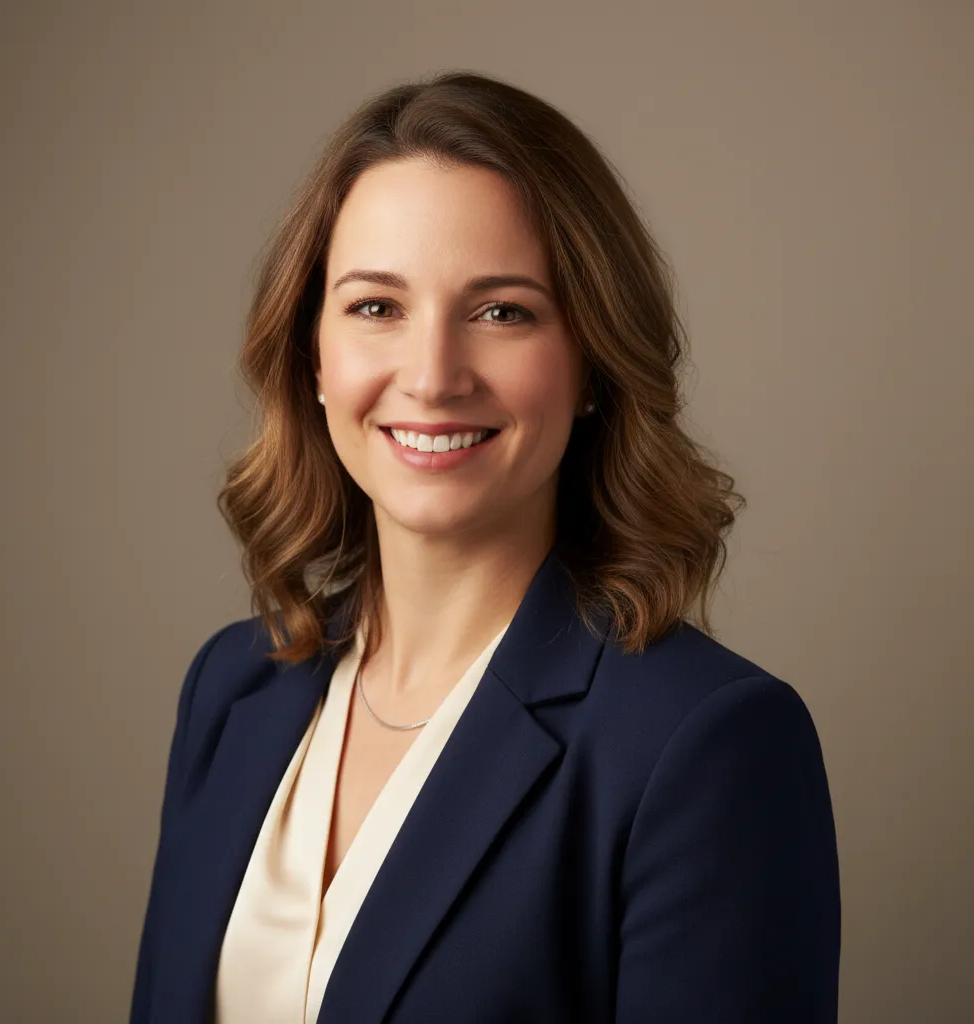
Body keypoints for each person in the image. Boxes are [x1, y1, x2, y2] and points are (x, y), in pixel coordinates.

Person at [130, 70, 840, 1023]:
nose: (431, 376)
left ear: (591, 364)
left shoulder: (705, 743)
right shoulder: (232, 688)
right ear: (313, 359)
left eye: (502, 311)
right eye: (377, 307)